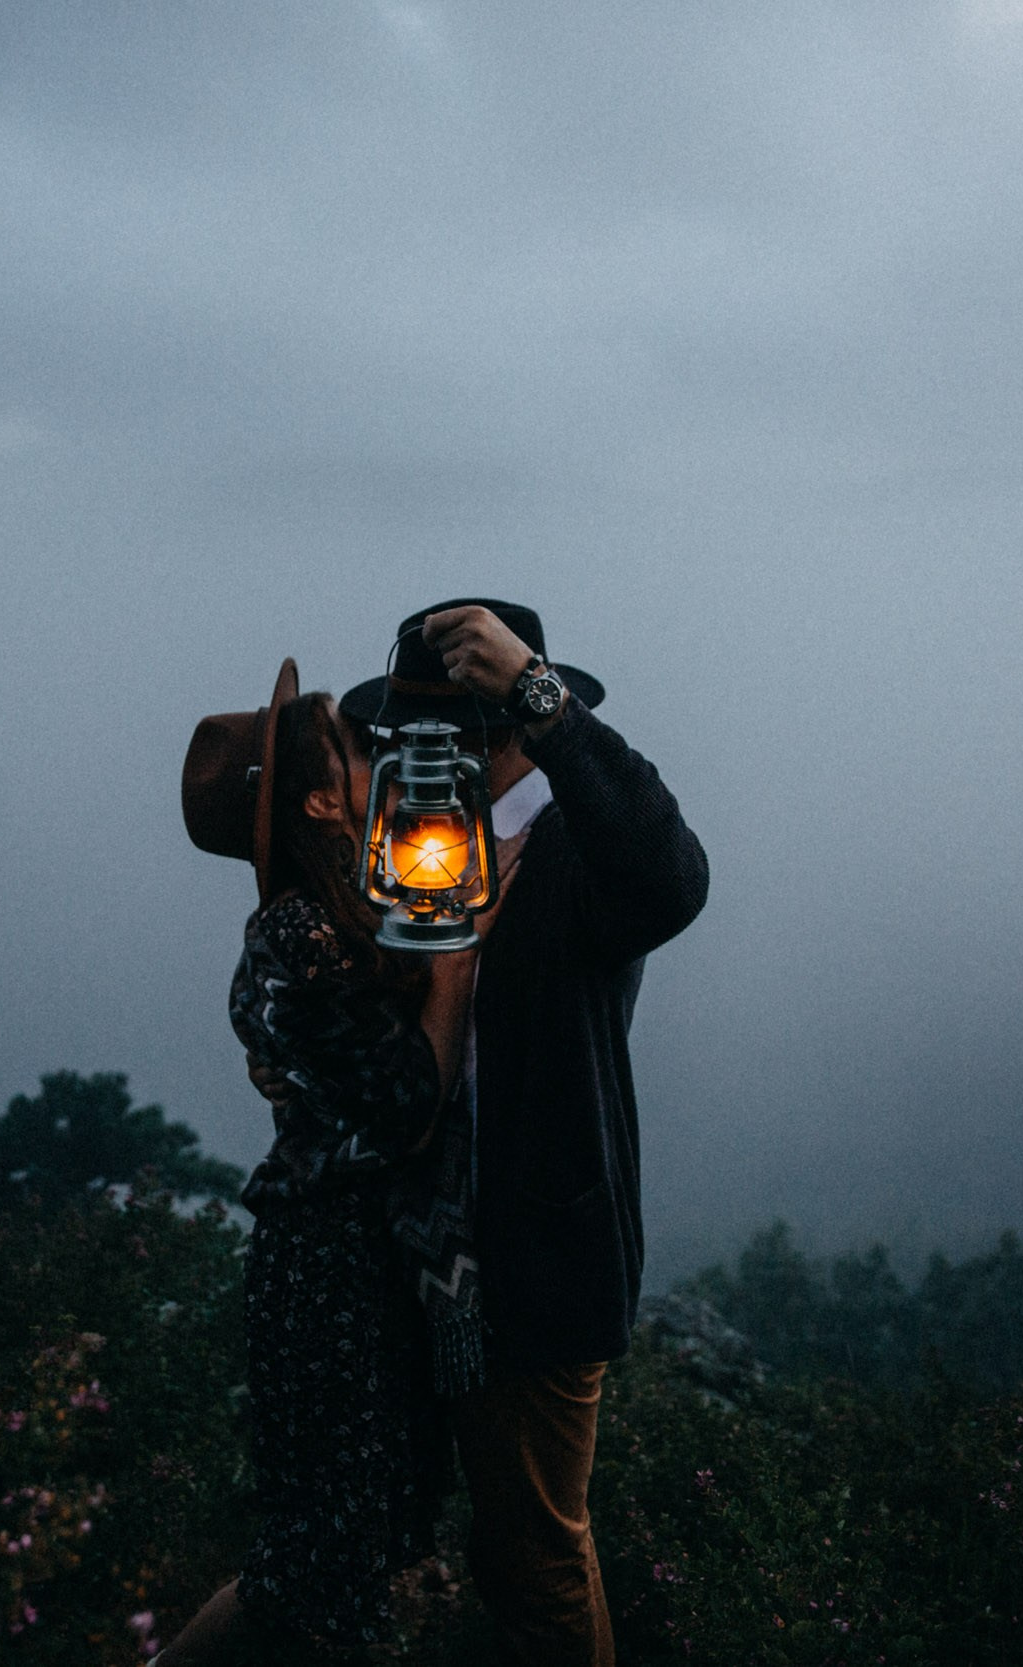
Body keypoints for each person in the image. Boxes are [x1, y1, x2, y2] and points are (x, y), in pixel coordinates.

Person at [316, 598, 709, 1667]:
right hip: (427, 1258)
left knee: (537, 1561)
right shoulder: (422, 844)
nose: (409, 756)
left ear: (495, 733)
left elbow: (673, 877)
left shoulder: (570, 848)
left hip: (538, 1258)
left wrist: (542, 694)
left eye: (429, 735)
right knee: (491, 1553)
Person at [168, 663, 478, 1663]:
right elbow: (407, 1106)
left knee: (353, 1554)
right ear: (316, 799)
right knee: (311, 1567)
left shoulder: (352, 912)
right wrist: (455, 965)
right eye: (350, 743)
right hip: (327, 1275)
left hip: (363, 1268)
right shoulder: (298, 935)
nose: (373, 747)